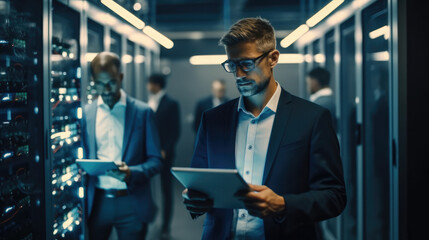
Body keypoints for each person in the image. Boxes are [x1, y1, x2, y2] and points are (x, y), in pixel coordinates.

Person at [181, 18, 346, 239]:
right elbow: (199, 185)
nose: (239, 74)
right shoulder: (213, 120)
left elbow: (333, 196)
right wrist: (194, 200)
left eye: (247, 63)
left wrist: (283, 204)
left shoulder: (312, 119)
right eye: (232, 65)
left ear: (273, 58)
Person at [81, 52, 163, 240]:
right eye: (100, 84)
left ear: (121, 77)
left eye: (111, 82)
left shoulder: (143, 113)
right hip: (97, 203)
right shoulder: (86, 114)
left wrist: (132, 173)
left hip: (131, 202)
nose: (107, 90)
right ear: (93, 81)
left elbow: (156, 161)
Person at [147, 73, 181, 239]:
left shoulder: (171, 104)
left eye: (150, 83)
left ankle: (166, 225)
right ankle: (149, 217)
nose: (148, 87)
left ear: (156, 84)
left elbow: (175, 130)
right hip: (149, 153)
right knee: (146, 185)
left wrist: (165, 149)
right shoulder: (149, 102)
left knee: (166, 190)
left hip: (165, 154)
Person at [306, 67, 337, 131]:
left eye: (308, 83)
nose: (307, 87)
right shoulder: (331, 100)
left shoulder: (319, 104)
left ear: (314, 82)